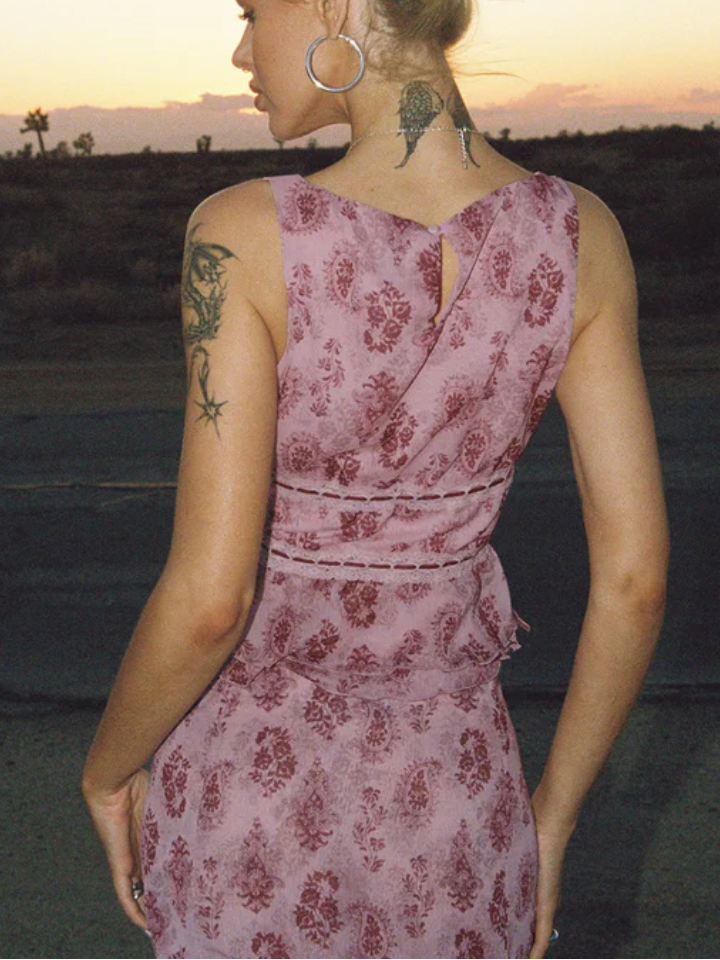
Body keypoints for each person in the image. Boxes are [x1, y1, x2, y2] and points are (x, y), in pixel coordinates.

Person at [82, 0, 669, 957]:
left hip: (250, 808)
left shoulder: (242, 233)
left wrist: (107, 773)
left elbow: (210, 603)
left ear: (336, 6)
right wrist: (550, 819)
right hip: (459, 811)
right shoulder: (581, 236)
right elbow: (636, 582)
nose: (239, 49)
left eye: (251, 11)